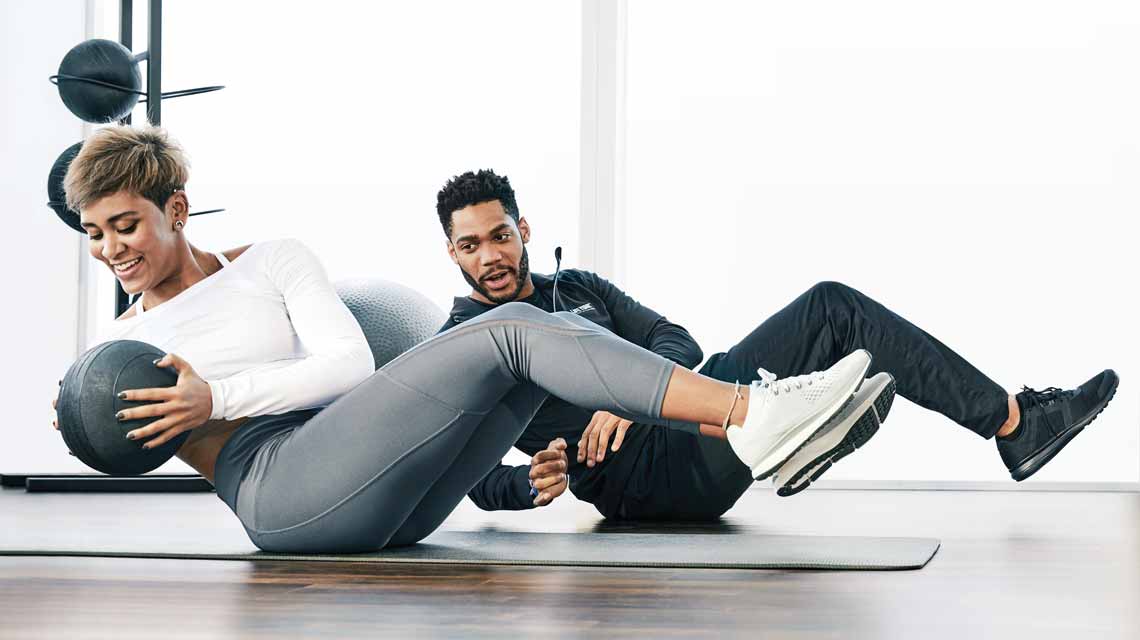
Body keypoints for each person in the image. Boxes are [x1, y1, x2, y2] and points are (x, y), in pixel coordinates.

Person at [49, 126, 874, 553]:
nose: (112, 249)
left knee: (518, 360)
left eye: (126, 225)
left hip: (386, 498)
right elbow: (126, 435)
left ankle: (752, 420)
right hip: (281, 495)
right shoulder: (126, 343)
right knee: (510, 328)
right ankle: (751, 415)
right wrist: (86, 421)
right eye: (93, 234)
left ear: (178, 209)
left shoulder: (275, 260)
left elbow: (350, 366)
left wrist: (214, 393)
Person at [436, 169, 1119, 519]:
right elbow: (458, 479)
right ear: (452, 254)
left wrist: (629, 391)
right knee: (833, 311)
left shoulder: (577, 285)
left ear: (523, 229)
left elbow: (677, 338)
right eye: (471, 245)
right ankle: (1016, 424)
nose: (490, 255)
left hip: (689, 426)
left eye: (500, 235)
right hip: (643, 482)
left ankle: (795, 438)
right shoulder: (461, 342)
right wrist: (526, 484)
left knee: (833, 308)